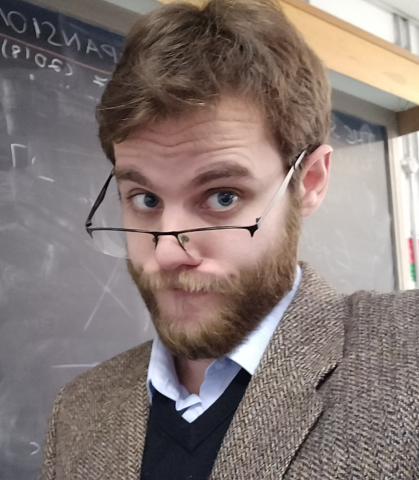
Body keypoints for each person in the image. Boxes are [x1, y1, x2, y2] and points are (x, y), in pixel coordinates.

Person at [39, 0, 419, 479]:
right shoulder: (77, 413)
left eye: (222, 197)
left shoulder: (407, 356)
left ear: (310, 181)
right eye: (145, 199)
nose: (166, 252)